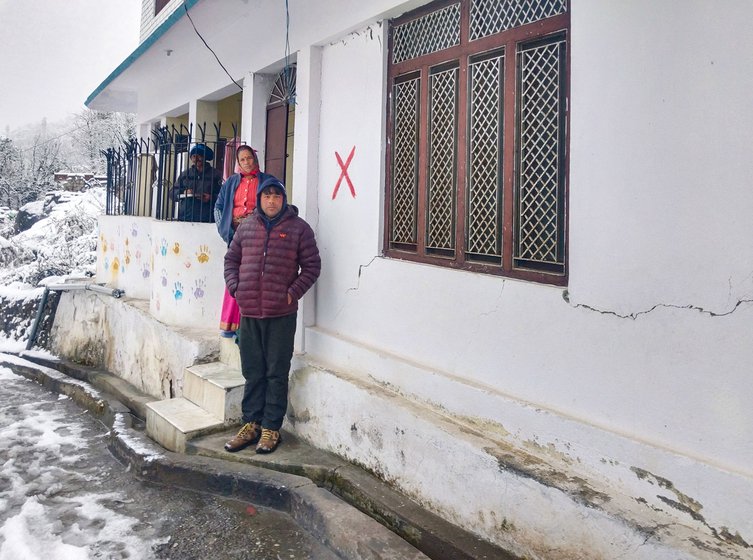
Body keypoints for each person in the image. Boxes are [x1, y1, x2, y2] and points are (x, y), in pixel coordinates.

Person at [223, 177, 320, 454]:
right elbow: (231, 260)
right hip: (250, 311)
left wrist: (291, 293)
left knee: (276, 372)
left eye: (277, 196)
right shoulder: (247, 227)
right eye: (267, 196)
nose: (272, 201)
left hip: (281, 314)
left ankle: (271, 428)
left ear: (283, 199)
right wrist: (236, 288)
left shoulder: (299, 229)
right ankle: (251, 423)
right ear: (260, 199)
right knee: (252, 371)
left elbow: (312, 266)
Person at [214, 145, 276, 337]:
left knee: (252, 276)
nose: (247, 162)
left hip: (258, 235)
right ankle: (230, 325)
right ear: (238, 163)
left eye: (249, 158)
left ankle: (248, 325)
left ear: (255, 159)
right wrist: (226, 231)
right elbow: (218, 208)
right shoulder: (230, 183)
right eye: (243, 160)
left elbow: (276, 204)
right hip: (235, 236)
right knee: (234, 275)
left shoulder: (267, 181)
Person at [172, 143, 223, 222]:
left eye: (199, 156)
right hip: (185, 218)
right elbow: (172, 193)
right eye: (194, 156)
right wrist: (184, 192)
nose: (196, 159)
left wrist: (210, 198)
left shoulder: (216, 174)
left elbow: (224, 196)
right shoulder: (185, 174)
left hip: (207, 218)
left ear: (205, 157)